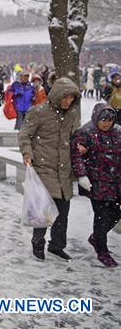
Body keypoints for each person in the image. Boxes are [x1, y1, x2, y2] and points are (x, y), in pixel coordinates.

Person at [18, 77, 80, 261]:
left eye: (71, 98)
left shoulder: (71, 115)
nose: (68, 102)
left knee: (63, 212)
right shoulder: (38, 112)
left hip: (64, 170)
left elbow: (74, 137)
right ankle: (38, 244)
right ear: (57, 95)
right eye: (65, 98)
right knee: (43, 210)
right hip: (44, 166)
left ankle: (57, 245)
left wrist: (80, 146)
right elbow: (24, 135)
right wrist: (27, 153)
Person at [72, 103, 121, 267]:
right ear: (96, 118)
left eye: (110, 120)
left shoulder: (118, 132)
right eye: (104, 120)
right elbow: (76, 156)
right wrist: (81, 175)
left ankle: (96, 238)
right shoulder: (85, 132)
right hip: (96, 182)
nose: (107, 123)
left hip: (115, 181)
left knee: (116, 213)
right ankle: (102, 251)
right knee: (102, 216)